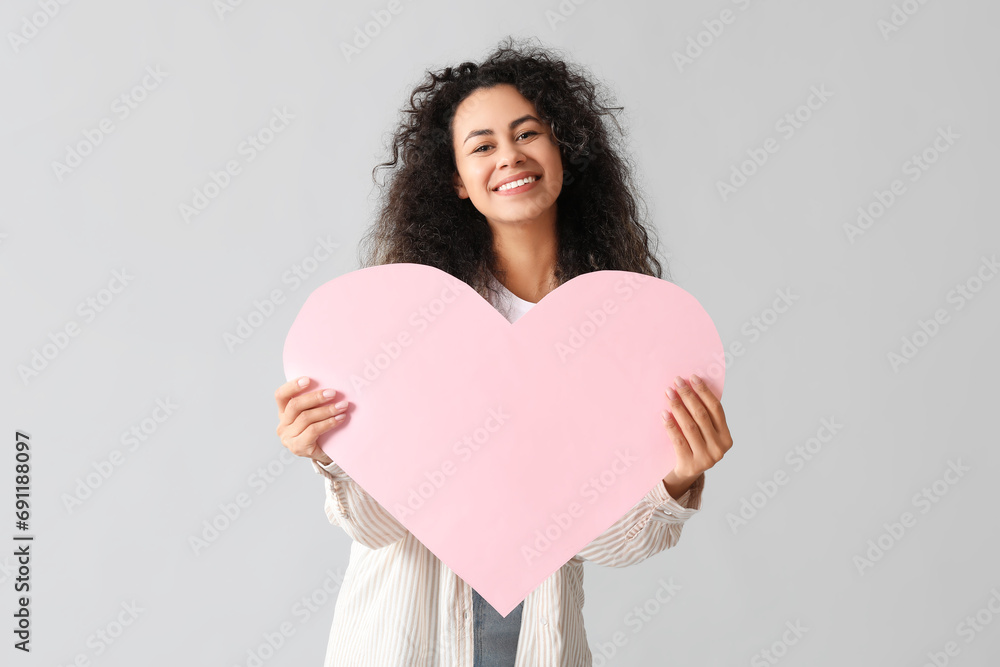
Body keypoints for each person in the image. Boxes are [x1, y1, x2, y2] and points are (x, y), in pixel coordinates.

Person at [274, 36, 734, 667]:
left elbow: (607, 544)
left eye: (527, 133)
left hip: (539, 643)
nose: (509, 157)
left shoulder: (617, 329)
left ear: (565, 150)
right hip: (399, 643)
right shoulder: (406, 324)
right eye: (482, 146)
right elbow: (376, 528)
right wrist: (331, 456)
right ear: (458, 182)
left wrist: (677, 479)